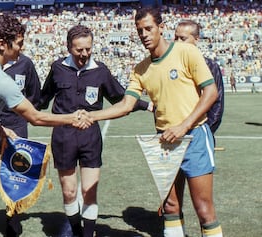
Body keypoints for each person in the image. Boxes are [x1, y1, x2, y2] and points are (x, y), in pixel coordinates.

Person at [0, 14, 92, 237]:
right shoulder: (0, 78)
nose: (21, 50)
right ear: (3, 44)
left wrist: (1, 130)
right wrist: (73, 118)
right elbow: (35, 117)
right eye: (19, 43)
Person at [89, 7, 223, 237]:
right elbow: (125, 105)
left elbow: (211, 92)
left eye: (149, 28)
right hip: (165, 143)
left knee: (203, 209)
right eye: (140, 31)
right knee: (170, 208)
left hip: (195, 137)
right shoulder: (141, 69)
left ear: (161, 28)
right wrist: (91, 115)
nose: (144, 35)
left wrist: (183, 126)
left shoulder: (185, 52)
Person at [37, 24, 152, 237]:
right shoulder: (57, 68)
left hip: (90, 137)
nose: (84, 54)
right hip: (63, 137)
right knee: (69, 192)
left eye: (88, 49)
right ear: (68, 47)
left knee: (88, 192)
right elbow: (42, 99)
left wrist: (147, 106)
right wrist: (16, 106)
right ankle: (76, 232)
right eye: (79, 50)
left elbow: (121, 98)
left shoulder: (100, 70)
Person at [0, 51, 41, 237]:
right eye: (17, 41)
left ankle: (13, 218)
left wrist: (21, 115)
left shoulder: (26, 63)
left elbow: (35, 94)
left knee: (15, 175)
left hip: (17, 126)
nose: (20, 46)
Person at [174, 20, 224, 138]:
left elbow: (217, 104)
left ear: (196, 39)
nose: (178, 42)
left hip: (199, 133)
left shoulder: (210, 66)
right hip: (172, 133)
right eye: (176, 38)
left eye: (183, 38)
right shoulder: (168, 64)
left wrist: (204, 131)